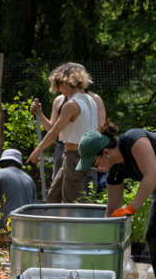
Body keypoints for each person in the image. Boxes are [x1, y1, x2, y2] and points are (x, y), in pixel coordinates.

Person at [77, 124, 156, 262]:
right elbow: (111, 213)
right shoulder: (114, 173)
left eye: (94, 164)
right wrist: (101, 243)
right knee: (153, 235)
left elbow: (152, 176)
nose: (95, 169)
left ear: (106, 152)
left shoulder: (134, 139)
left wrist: (130, 208)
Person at [27, 63, 99, 203]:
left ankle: (73, 225)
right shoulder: (91, 101)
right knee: (53, 197)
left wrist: (36, 151)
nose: (57, 89)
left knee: (72, 204)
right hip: (83, 156)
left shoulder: (71, 104)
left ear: (66, 81)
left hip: (74, 157)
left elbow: (54, 133)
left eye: (57, 84)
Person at [31, 71, 106, 178]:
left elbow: (101, 129)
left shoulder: (94, 99)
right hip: (63, 148)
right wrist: (40, 114)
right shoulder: (60, 100)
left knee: (85, 188)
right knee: (59, 188)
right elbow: (53, 130)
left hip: (86, 150)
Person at [0, 149, 36, 233]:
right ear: (19, 164)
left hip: (4, 227)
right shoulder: (30, 180)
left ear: (2, 162)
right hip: (27, 229)